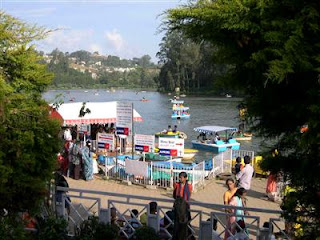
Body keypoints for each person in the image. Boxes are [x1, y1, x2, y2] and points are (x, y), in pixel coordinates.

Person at [173, 172, 192, 240]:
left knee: (186, 223)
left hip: (185, 206)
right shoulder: (177, 185)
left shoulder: (189, 186)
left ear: (185, 178)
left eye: (182, 177)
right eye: (180, 177)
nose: (180, 179)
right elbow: (174, 194)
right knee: (177, 223)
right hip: (178, 206)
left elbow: (189, 195)